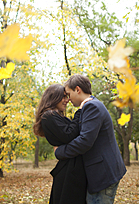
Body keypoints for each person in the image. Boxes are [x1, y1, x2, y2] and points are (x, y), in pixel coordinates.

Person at [54, 74, 126, 204]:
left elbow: (84, 141)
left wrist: (59, 151)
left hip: (103, 173)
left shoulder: (92, 106)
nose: (68, 99)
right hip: (101, 172)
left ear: (77, 89)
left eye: (69, 94)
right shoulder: (90, 105)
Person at [33, 84, 91, 204]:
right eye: (63, 97)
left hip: (72, 166)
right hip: (69, 171)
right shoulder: (48, 116)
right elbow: (69, 135)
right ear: (53, 97)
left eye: (67, 97)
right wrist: (80, 110)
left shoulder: (56, 116)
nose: (67, 100)